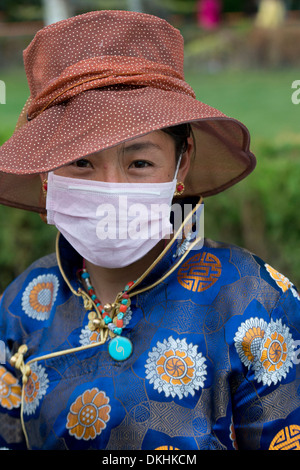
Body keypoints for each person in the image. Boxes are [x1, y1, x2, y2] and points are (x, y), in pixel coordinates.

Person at [0, 10, 299, 451]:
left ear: (183, 163)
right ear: (46, 174)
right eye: (81, 161)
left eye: (139, 163)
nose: (110, 189)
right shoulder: (22, 307)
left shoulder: (256, 299)